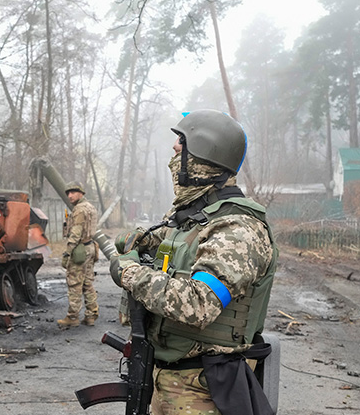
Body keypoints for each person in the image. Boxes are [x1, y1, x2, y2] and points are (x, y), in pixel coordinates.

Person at [109, 110, 278, 415]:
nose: (175, 150)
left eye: (182, 145)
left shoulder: (237, 228)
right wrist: (136, 243)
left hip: (204, 389)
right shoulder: (194, 218)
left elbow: (199, 303)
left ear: (207, 156)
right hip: (168, 379)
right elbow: (157, 239)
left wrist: (130, 274)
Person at [58, 181, 99, 328]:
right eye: (68, 193)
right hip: (90, 247)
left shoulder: (79, 209)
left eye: (73, 192)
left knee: (75, 283)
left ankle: (73, 317)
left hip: (80, 249)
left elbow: (75, 234)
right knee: (88, 282)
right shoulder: (90, 207)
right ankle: (91, 315)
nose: (70, 195)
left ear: (81, 193)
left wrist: (67, 253)